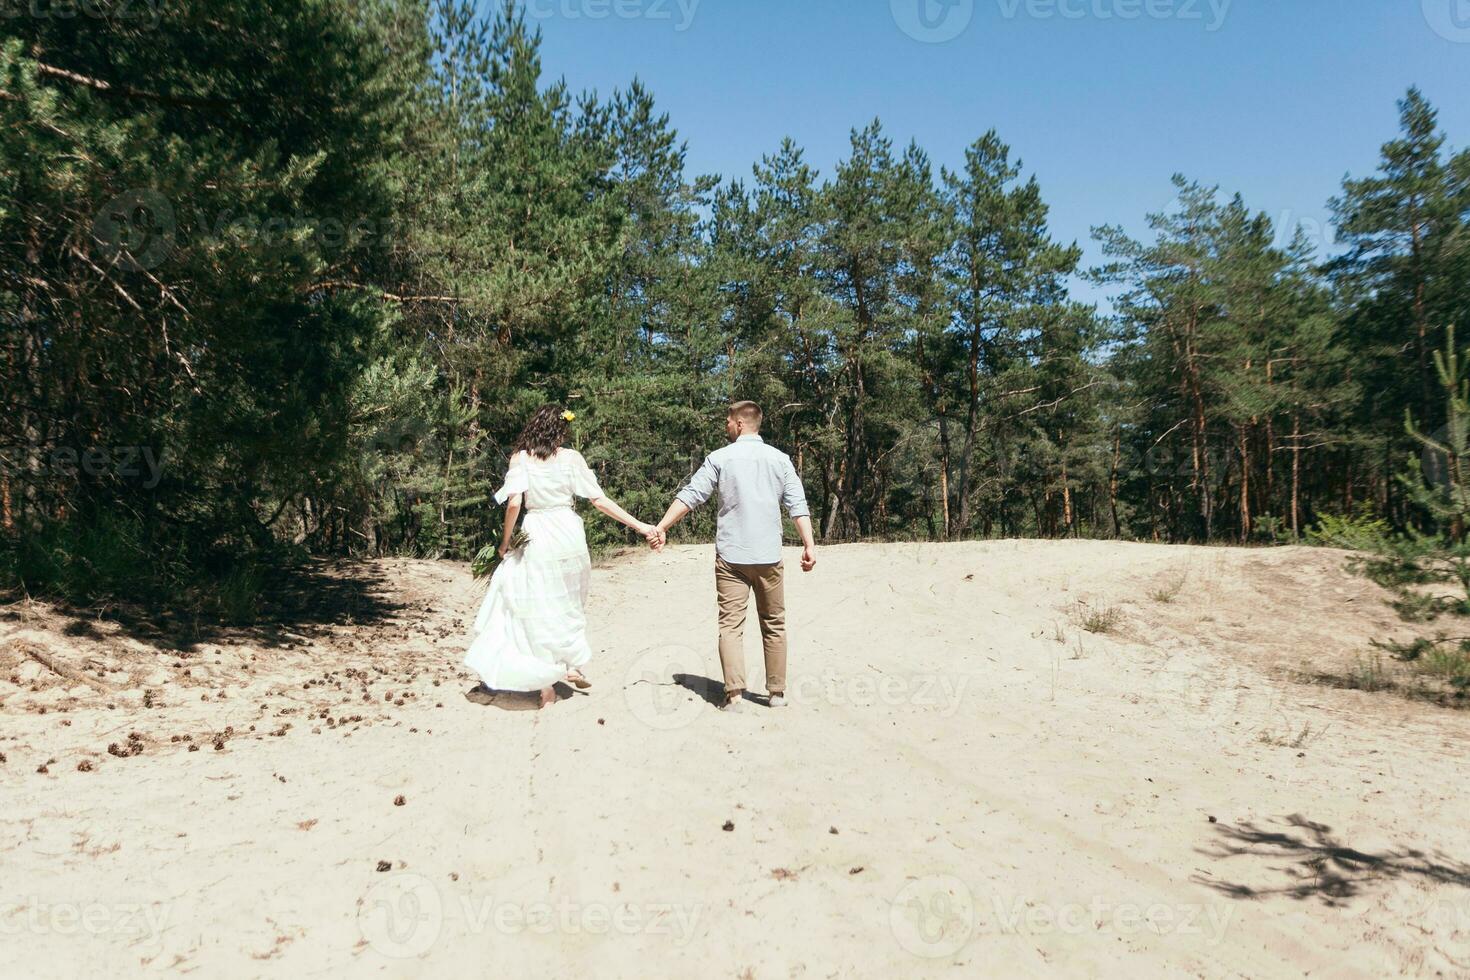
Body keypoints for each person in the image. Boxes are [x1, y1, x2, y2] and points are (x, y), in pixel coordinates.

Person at [464, 405, 656, 708]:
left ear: (534, 427)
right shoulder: (571, 458)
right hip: (569, 534)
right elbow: (598, 500)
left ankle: (547, 687)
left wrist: (505, 543)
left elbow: (514, 503)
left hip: (539, 532)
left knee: (540, 606)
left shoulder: (521, 458)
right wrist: (640, 525)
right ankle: (571, 663)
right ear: (560, 431)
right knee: (569, 603)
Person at [649, 401, 817, 712]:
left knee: (730, 626)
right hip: (768, 556)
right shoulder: (780, 460)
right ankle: (776, 693)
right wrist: (808, 543)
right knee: (774, 624)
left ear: (739, 423)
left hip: (732, 557)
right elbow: (798, 503)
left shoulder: (720, 458)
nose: (726, 425)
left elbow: (691, 495)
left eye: (728, 420)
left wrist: (662, 525)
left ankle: (735, 695)